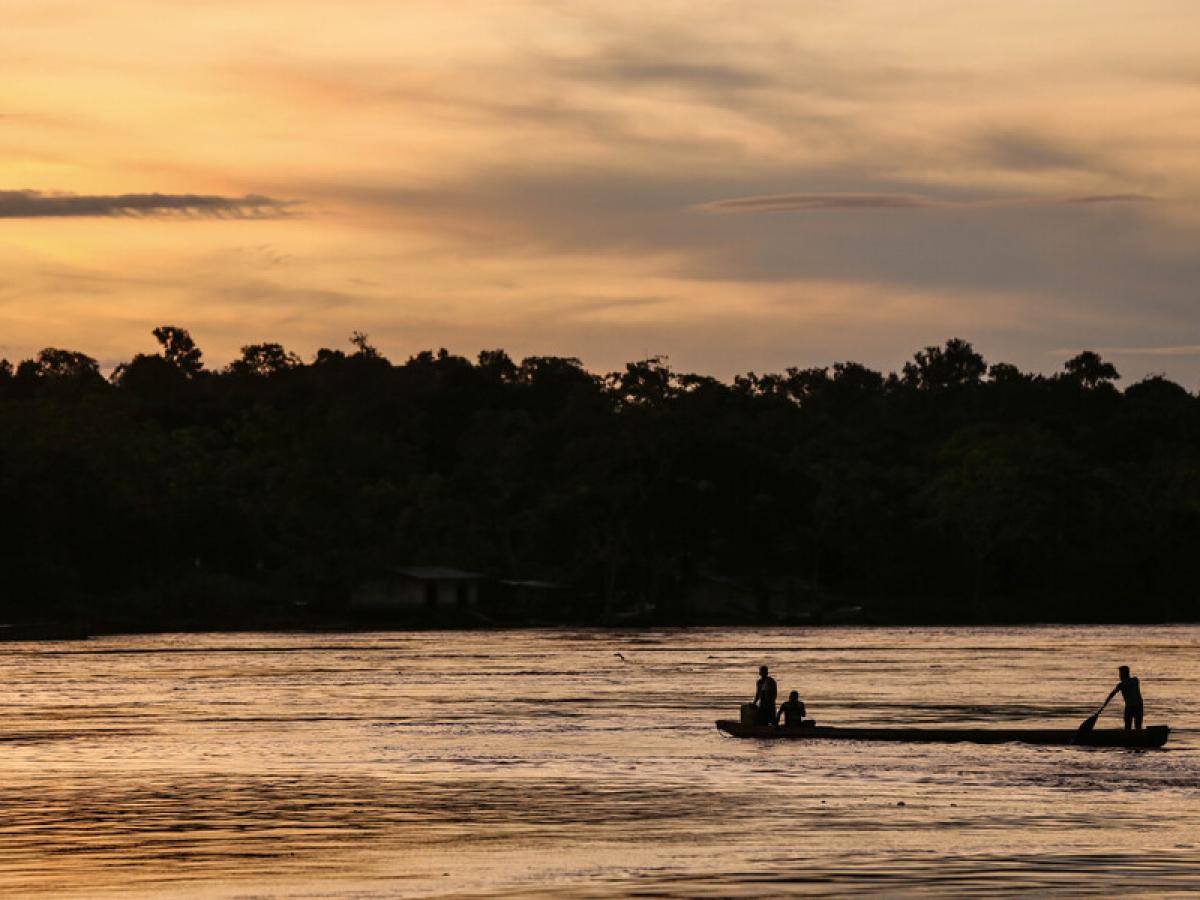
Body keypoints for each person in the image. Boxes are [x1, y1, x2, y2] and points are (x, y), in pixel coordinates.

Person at [1105, 665, 1144, 731]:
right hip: (1136, 706)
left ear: (1123, 674)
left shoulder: (1123, 684)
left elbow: (1112, 694)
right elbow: (1112, 694)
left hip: (1134, 707)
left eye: (1120, 674)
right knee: (1137, 727)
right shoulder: (1135, 680)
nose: (1119, 676)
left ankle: (1132, 735)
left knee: (1129, 727)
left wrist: (1104, 704)